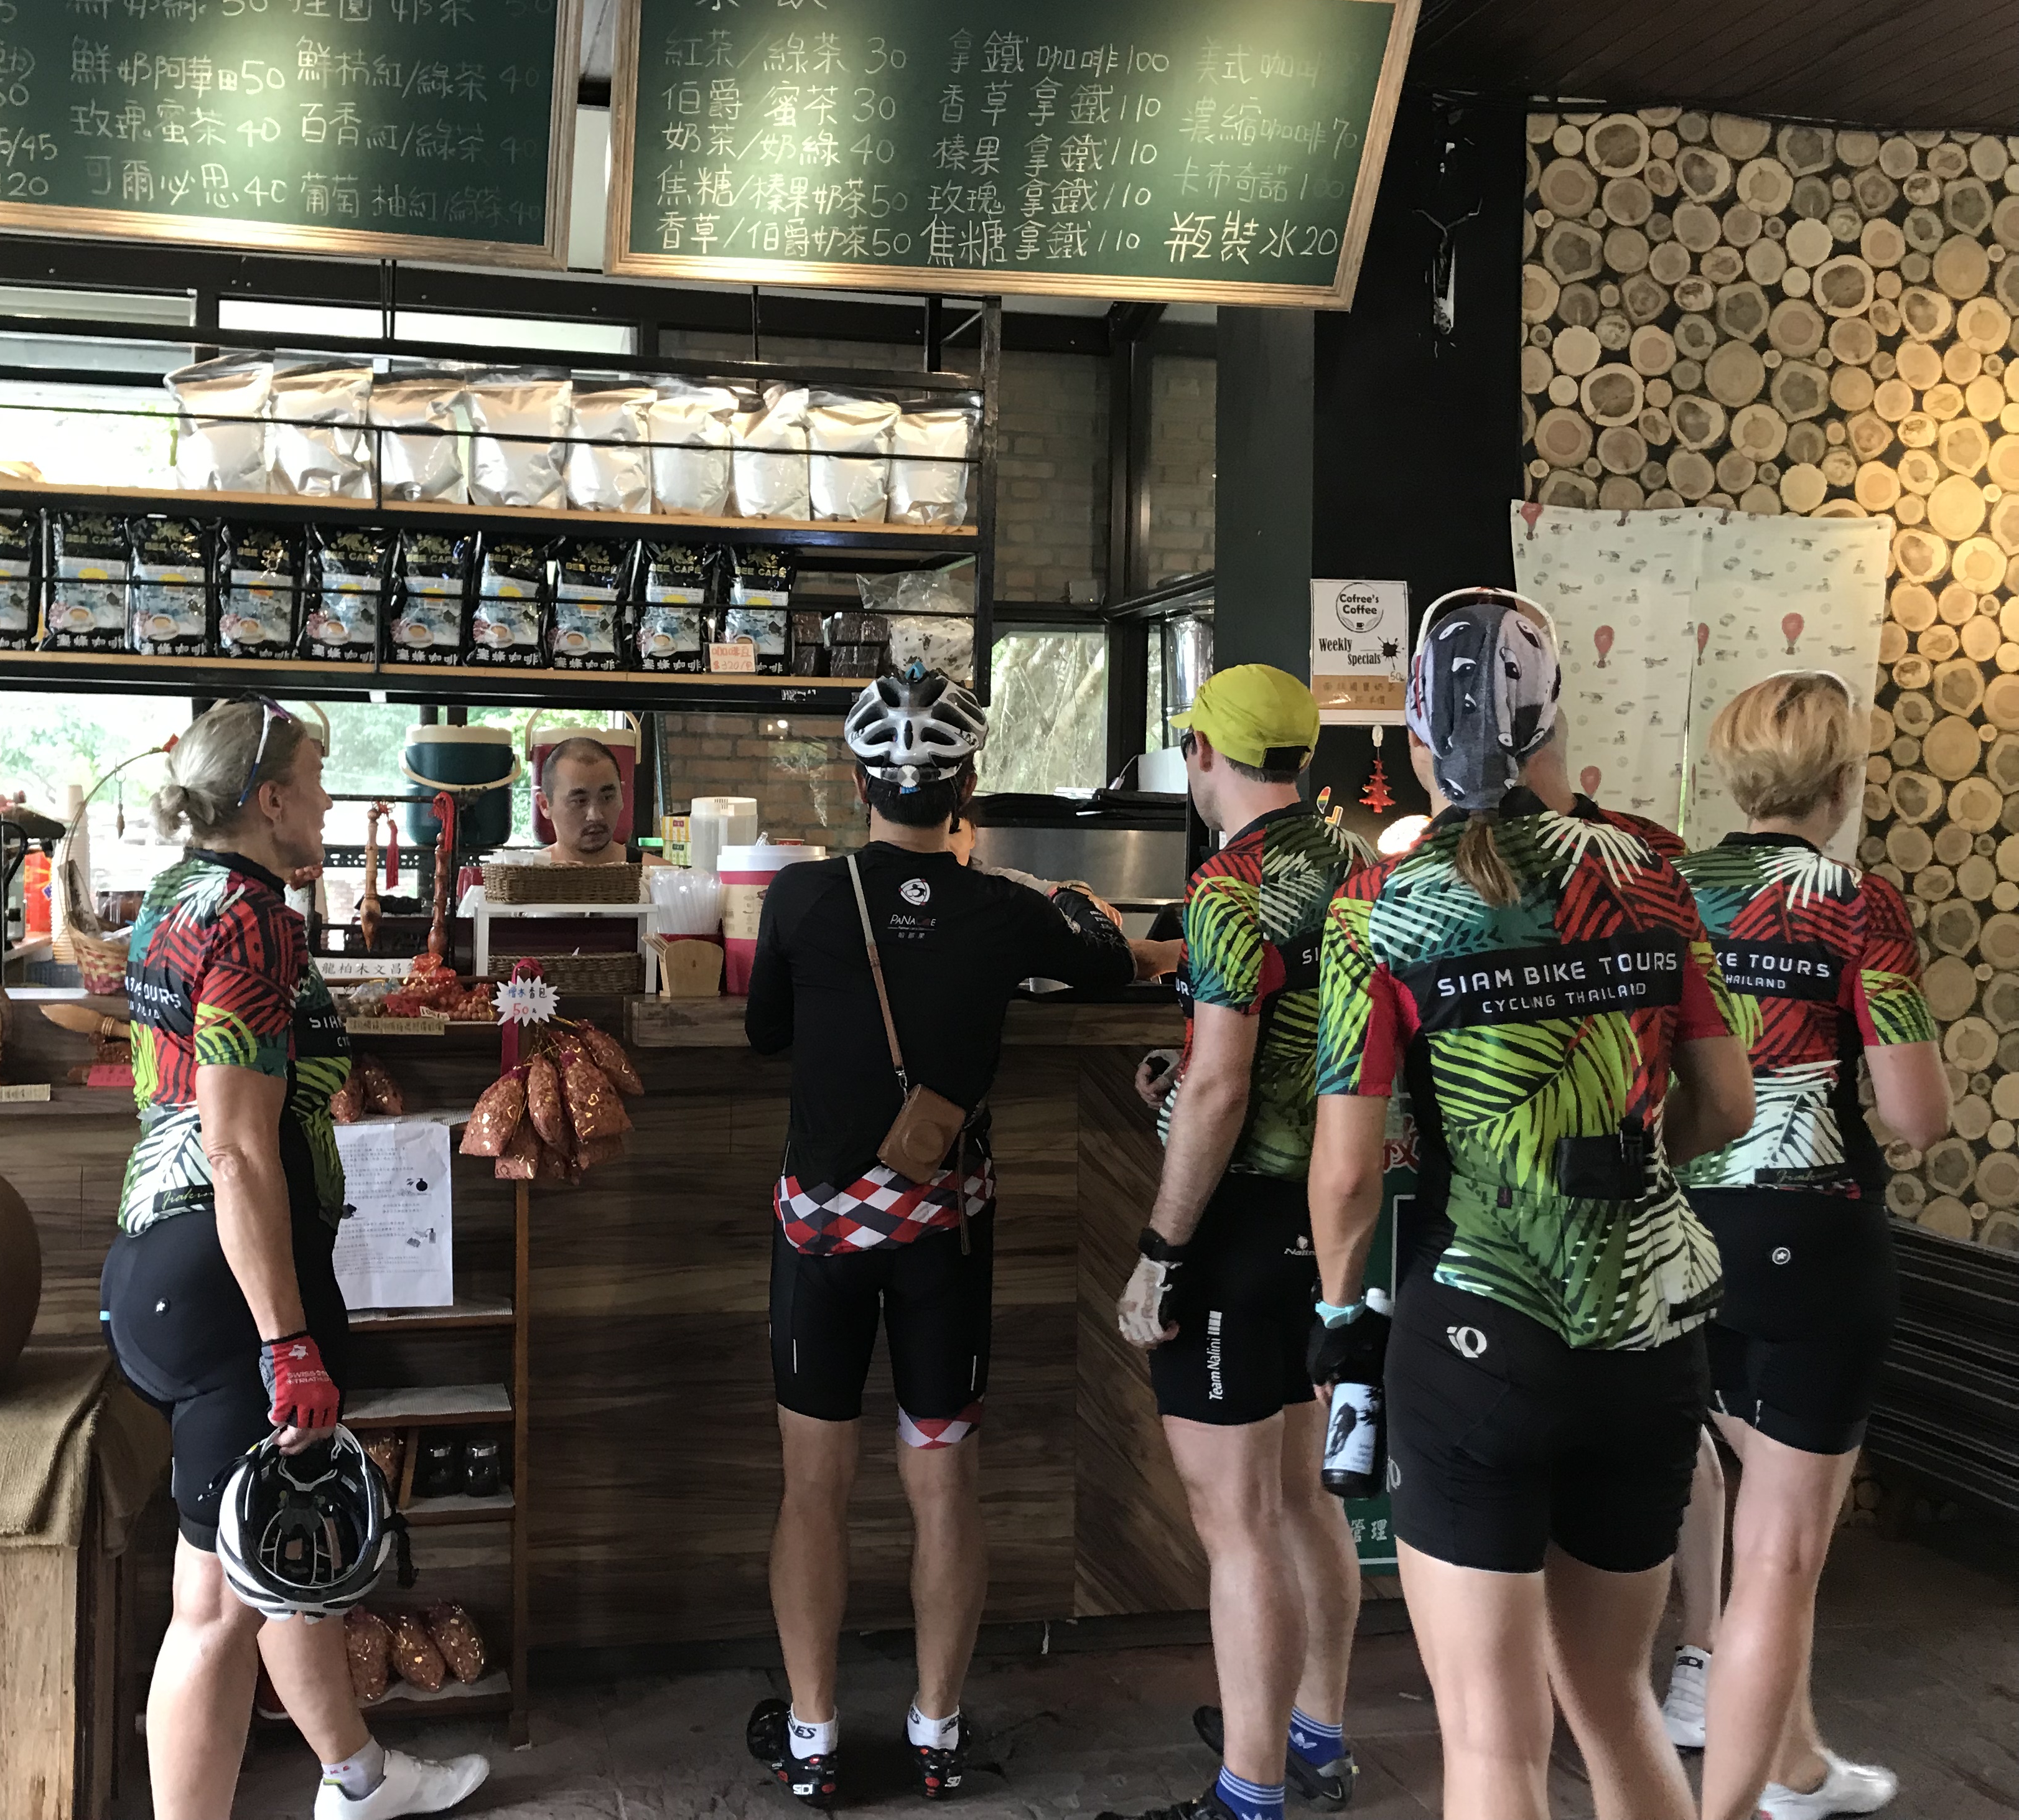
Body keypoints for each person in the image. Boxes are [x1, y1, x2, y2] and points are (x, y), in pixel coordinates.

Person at [1305, 600, 1756, 1820]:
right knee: (1614, 1700)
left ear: (1414, 734)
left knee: (1494, 1745)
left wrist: (1339, 1318)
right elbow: (1727, 1103)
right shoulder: (1654, 880)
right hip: (1647, 1335)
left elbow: (1345, 1172)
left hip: (1476, 1335)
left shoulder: (1380, 909)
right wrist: (1634, 1159)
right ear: (1558, 720)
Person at [743, 669, 1149, 1808]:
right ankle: (937, 1733)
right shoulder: (1003, 910)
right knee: (943, 1481)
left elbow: (766, 1032)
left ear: (856, 782)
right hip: (942, 1237)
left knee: (812, 1487)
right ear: (968, 785)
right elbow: (1110, 960)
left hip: (821, 1235)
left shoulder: (800, 898)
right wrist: (1054, 901)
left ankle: (814, 1740)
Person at [100, 698, 490, 1820]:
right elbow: (232, 1145)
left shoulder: (178, 893)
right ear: (268, 800)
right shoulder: (253, 916)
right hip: (230, 1287)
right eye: (315, 781)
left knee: (269, 1559)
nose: (326, 801)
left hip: (164, 1260)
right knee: (216, 1610)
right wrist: (287, 1344)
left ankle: (358, 1778)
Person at [1673, 673, 1948, 1820]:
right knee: (1782, 1554)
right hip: (1812, 1239)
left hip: (1680, 1239)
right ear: (1841, 782)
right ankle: (1738, 1807)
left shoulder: (1669, 888)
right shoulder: (1858, 904)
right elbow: (1916, 1114)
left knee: (1756, 1519)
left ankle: (1793, 1763)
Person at [1101, 665, 1372, 1820]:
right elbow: (1295, 1042)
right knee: (1301, 1495)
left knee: (1238, 1519)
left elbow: (1222, 1089)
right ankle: (1315, 1735)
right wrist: (1194, 1066)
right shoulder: (1358, 861)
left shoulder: (1231, 885)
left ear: (1206, 752)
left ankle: (1248, 1793)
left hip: (1241, 1220)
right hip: (1330, 1212)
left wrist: (1161, 1250)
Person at [539, 735, 630, 864]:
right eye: (580, 801)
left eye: (607, 798)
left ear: (622, 795)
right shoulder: (525, 875)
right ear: (545, 805)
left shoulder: (653, 873)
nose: (595, 816)